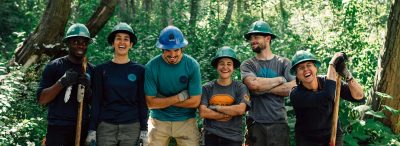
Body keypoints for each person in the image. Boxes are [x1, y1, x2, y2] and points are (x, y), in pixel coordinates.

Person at [86, 22, 148, 146]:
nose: (122, 42)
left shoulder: (140, 70)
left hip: (131, 127)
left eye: (126, 39)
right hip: (105, 127)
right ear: (113, 43)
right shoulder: (101, 70)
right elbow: (96, 101)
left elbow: (142, 102)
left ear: (131, 44)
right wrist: (92, 129)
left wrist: (144, 130)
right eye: (118, 38)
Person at [289, 50, 364, 146]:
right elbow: (327, 96)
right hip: (308, 140)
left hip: (333, 135)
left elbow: (359, 96)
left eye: (309, 65)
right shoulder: (296, 94)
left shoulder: (327, 81)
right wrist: (332, 64)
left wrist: (347, 74)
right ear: (296, 74)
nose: (306, 69)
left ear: (316, 68)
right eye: (301, 68)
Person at [240, 20, 296, 146]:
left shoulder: (284, 62)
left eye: (256, 37)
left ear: (268, 38)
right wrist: (280, 80)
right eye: (251, 38)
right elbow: (253, 85)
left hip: (279, 123)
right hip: (255, 123)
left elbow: (292, 88)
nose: (252, 41)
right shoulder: (248, 64)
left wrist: (261, 89)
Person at [36, 23, 93, 145]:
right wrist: (61, 82)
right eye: (76, 42)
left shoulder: (91, 70)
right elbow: (42, 99)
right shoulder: (54, 66)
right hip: (57, 127)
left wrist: (88, 89)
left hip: (82, 127)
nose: (80, 45)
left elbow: (97, 103)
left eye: (84, 42)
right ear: (67, 43)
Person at [144, 25, 201, 146]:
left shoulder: (192, 65)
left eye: (176, 50)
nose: (172, 54)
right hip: (158, 120)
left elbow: (195, 102)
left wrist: (162, 100)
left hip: (186, 120)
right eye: (168, 50)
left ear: (182, 48)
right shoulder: (151, 66)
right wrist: (180, 97)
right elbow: (150, 103)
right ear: (162, 49)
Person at [199, 46, 249, 146]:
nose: (225, 67)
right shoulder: (206, 88)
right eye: (221, 63)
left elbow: (240, 109)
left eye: (229, 64)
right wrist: (229, 112)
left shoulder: (241, 87)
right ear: (217, 66)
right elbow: (203, 112)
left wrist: (215, 107)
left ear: (233, 67)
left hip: (233, 138)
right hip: (211, 136)